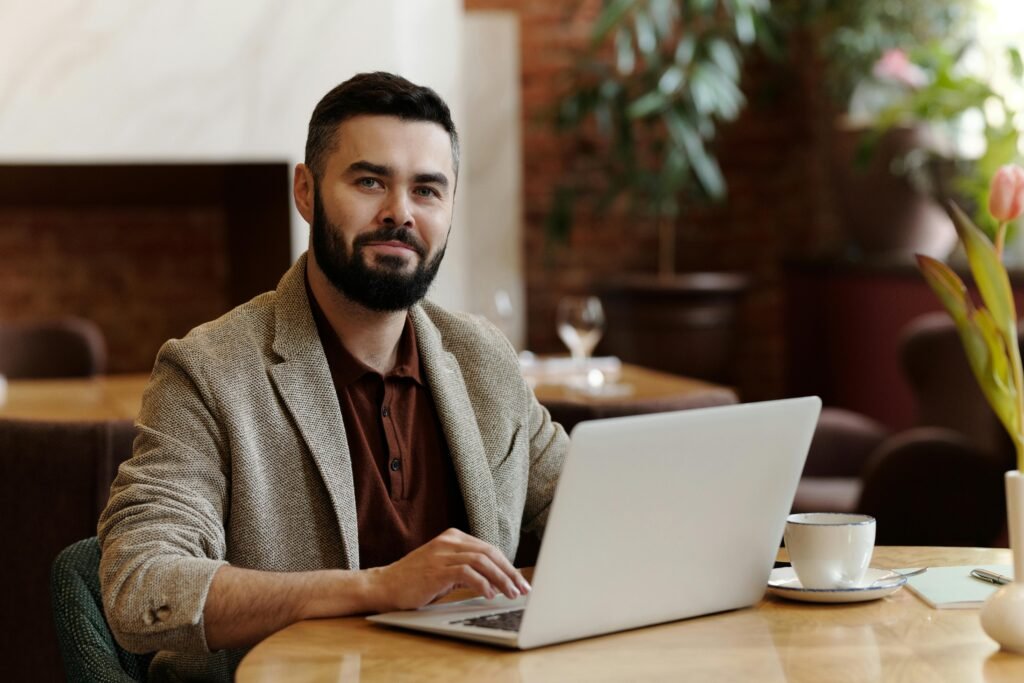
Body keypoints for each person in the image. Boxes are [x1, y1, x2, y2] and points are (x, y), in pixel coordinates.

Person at [98, 72, 568, 679]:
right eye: (370, 181)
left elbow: (590, 509)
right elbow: (140, 587)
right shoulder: (208, 370)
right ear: (306, 191)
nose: (400, 213)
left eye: (427, 190)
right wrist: (375, 588)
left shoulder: (483, 358)